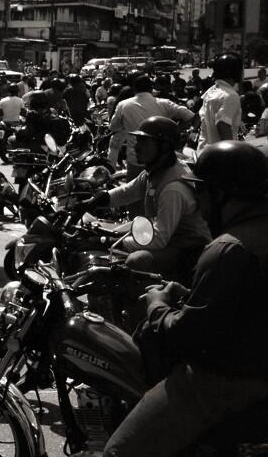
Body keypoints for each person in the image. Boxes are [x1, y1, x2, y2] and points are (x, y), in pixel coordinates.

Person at [105, 140, 268, 457]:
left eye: (203, 193)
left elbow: (187, 337)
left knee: (120, 452)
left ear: (222, 193)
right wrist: (191, 298)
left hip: (223, 381)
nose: (200, 203)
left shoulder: (228, 249)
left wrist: (157, 306)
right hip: (256, 365)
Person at [79, 116, 210, 283]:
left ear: (163, 146)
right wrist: (93, 202)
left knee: (136, 260)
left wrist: (114, 242)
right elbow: (128, 191)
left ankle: (141, 305)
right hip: (169, 238)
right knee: (105, 228)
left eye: (144, 142)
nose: (136, 146)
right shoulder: (156, 170)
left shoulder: (173, 188)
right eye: (137, 140)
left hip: (187, 249)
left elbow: (158, 239)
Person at [107, 75, 195, 179]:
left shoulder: (123, 105)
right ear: (151, 88)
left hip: (136, 159)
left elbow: (113, 127)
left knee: (135, 193)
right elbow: (190, 116)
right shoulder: (164, 103)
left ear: (134, 89)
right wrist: (175, 130)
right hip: (160, 159)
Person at [196, 54, 243, 152]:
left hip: (203, 151)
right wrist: (232, 152)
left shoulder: (211, 92)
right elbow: (222, 124)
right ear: (236, 72)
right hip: (219, 156)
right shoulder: (231, 95)